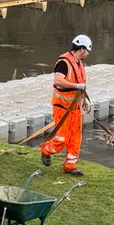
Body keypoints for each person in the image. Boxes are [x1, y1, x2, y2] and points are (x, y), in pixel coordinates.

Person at [40, 34, 92, 175]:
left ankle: (70, 166)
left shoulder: (78, 63)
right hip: (62, 107)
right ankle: (46, 150)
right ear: (81, 49)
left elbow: (80, 86)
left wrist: (84, 98)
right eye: (87, 50)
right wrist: (77, 86)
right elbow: (58, 81)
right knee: (61, 139)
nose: (87, 53)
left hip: (75, 108)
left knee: (76, 137)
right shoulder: (64, 63)